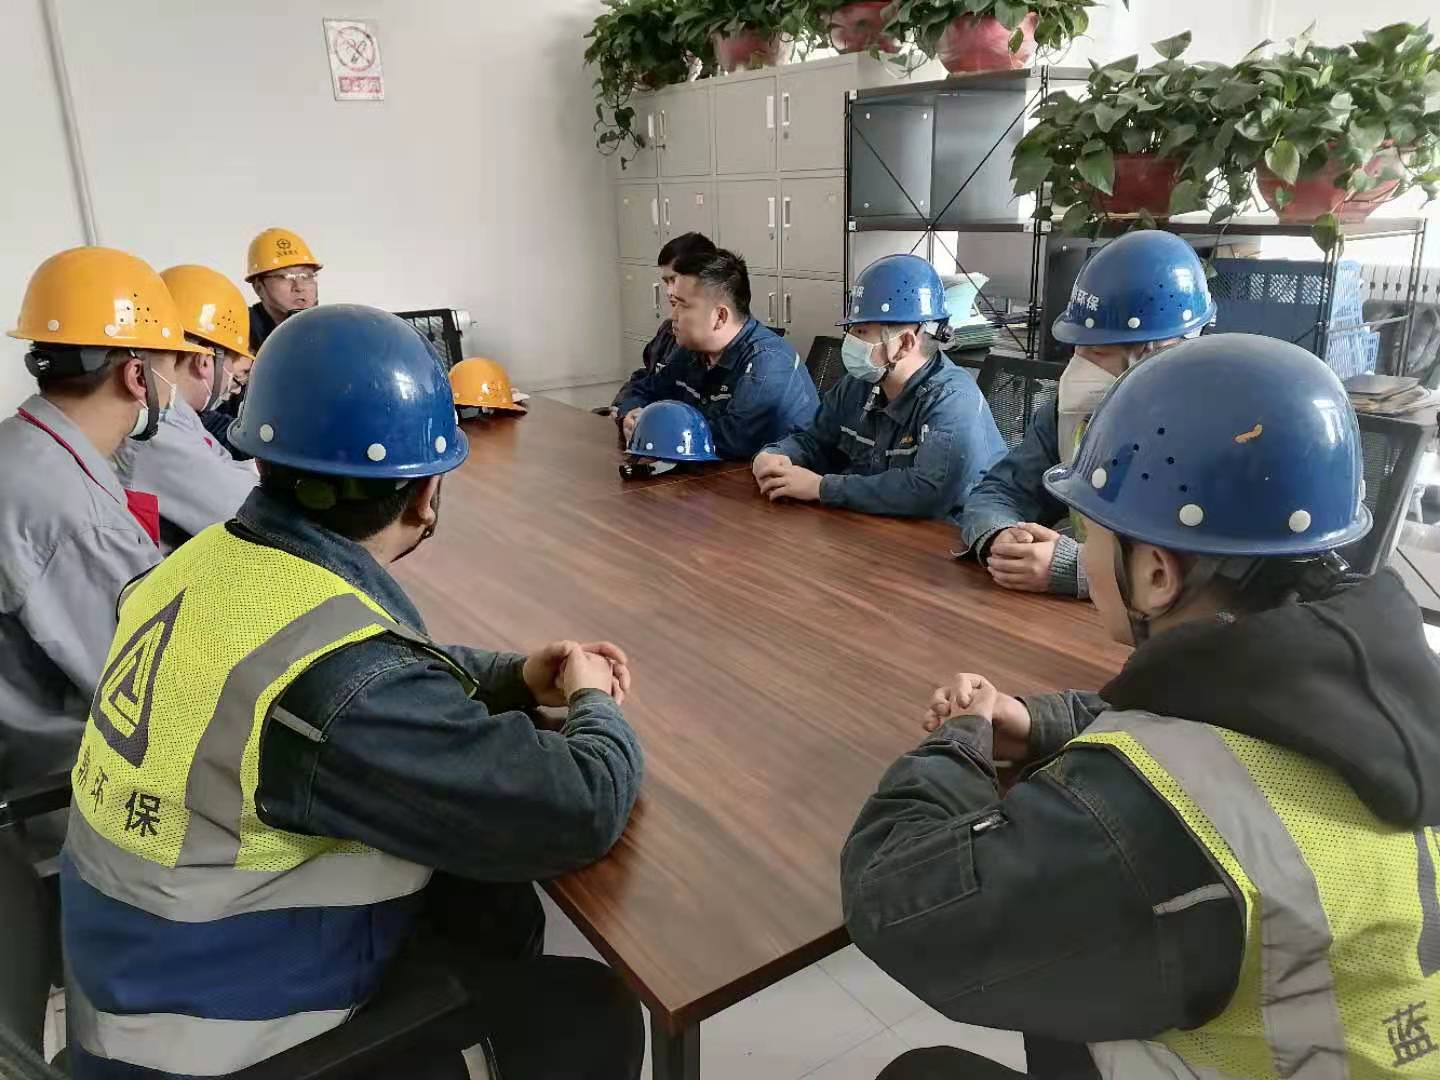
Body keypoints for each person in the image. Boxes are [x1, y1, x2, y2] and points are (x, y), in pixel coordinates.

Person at [60, 305, 646, 1079]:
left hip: (136, 987)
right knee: (591, 1011)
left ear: (262, 461)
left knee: (485, 896)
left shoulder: (200, 568)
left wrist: (510, 675)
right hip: (220, 1051)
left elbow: (351, 670)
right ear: (425, 492)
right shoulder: (335, 685)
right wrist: (594, 699)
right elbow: (581, 804)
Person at [842, 334, 1440, 1080]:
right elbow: (1234, 726)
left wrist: (959, 741)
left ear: (1156, 574)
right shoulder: (1386, 678)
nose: (1077, 550)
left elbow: (895, 903)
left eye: (1088, 532)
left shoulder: (1147, 823)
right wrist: (1041, 724)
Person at [0, 247, 203, 834]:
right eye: (172, 364)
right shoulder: (79, 517)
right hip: (60, 784)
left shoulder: (20, 445)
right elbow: (154, 701)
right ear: (138, 376)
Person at [956, 230, 1214, 596]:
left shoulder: (1220, 434)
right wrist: (1000, 535)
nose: (1078, 365)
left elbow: (1216, 571)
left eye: (1097, 352)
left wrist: (1079, 568)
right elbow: (1001, 490)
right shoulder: (1070, 415)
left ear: (1159, 355)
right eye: (1078, 347)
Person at [752, 254, 1005, 518]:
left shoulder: (952, 399)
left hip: (941, 535)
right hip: (868, 524)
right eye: (851, 330)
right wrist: (774, 455)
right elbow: (815, 441)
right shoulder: (857, 385)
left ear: (905, 343)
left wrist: (822, 487)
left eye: (861, 331)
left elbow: (927, 492)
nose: (849, 340)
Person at [614, 248, 819, 460]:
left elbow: (733, 440)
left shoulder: (769, 361)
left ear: (720, 317)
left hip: (759, 476)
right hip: (707, 473)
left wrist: (651, 428)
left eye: (682, 306)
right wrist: (632, 414)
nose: (672, 315)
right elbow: (645, 388)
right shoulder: (692, 352)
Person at [114, 264, 259, 552]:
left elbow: (229, 468)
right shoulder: (155, 430)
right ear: (204, 362)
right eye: (238, 375)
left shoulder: (177, 412)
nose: (235, 387)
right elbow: (248, 514)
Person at [609, 231, 718, 415]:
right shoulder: (668, 330)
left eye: (674, 280)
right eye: (666, 282)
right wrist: (626, 409)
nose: (669, 292)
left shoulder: (706, 344)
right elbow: (647, 378)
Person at [244, 226, 322, 353]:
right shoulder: (240, 332)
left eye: (306, 276)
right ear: (259, 288)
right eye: (284, 277)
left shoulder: (330, 328)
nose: (299, 287)